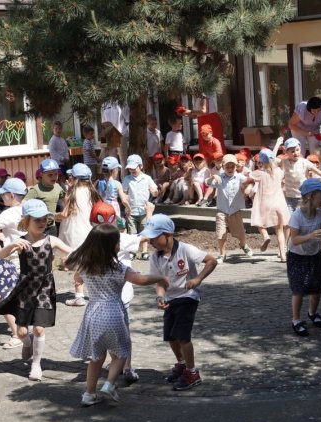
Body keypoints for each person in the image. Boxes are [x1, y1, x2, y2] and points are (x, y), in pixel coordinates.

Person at [66, 223, 168, 405]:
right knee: (122, 351)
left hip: (93, 312)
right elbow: (141, 280)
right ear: (112, 246)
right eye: (117, 242)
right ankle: (110, 384)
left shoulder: (85, 266)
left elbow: (77, 278)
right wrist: (161, 277)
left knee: (96, 356)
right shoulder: (118, 268)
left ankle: (89, 394)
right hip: (113, 311)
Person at [0, 199, 72, 381]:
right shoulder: (20, 241)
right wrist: (12, 245)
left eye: (44, 219)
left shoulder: (51, 240)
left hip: (45, 289)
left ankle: (36, 364)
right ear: (26, 221)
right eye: (37, 219)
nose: (42, 223)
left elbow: (71, 251)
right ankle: (27, 341)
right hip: (25, 290)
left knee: (40, 329)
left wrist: (70, 258)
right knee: (22, 332)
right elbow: (2, 254)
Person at [141, 214, 217, 391]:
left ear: (167, 235)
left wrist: (198, 279)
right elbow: (160, 282)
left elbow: (211, 261)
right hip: (170, 298)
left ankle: (192, 372)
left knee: (182, 335)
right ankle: (182, 363)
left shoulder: (186, 249)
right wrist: (160, 296)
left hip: (188, 296)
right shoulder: (155, 258)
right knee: (170, 336)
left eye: (154, 238)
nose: (151, 242)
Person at [287, 178, 321, 337]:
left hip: (315, 255)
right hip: (297, 256)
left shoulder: (320, 214)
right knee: (298, 289)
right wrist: (310, 235)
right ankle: (296, 320)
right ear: (311, 196)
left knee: (316, 287)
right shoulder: (297, 216)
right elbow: (294, 240)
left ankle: (312, 313)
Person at [57, 163, 101, 305]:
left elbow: (65, 214)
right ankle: (96, 293)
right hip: (90, 230)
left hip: (75, 231)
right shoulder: (92, 191)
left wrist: (52, 216)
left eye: (71, 175)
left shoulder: (72, 192)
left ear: (74, 178)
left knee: (80, 265)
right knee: (89, 264)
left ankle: (79, 295)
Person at [204, 154, 253, 264]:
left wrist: (248, 187)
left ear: (236, 166)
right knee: (220, 233)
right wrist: (213, 177)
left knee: (240, 233)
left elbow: (249, 181)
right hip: (222, 211)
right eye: (227, 167)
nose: (230, 169)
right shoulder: (220, 177)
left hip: (235, 210)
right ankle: (222, 253)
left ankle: (243, 244)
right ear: (223, 167)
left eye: (232, 166)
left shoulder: (240, 177)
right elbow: (206, 182)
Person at [0, 178, 27, 349]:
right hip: (29, 255)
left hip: (13, 257)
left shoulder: (8, 213)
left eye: (3, 195)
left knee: (4, 295)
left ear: (10, 195)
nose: (2, 199)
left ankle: (17, 334)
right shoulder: (28, 208)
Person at [246, 149, 290, 262]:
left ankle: (266, 236)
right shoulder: (279, 171)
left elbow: (248, 177)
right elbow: (273, 161)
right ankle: (283, 255)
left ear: (261, 161)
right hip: (279, 204)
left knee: (260, 223)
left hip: (265, 203)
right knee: (280, 231)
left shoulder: (260, 173)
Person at [122, 154, 158, 260]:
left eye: (134, 168)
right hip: (131, 210)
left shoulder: (147, 178)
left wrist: (155, 191)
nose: (132, 170)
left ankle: (145, 251)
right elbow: (124, 193)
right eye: (130, 168)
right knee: (132, 232)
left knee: (144, 230)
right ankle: (133, 250)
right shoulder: (127, 179)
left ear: (141, 166)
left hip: (144, 210)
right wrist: (126, 203)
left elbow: (154, 190)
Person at [24, 159, 66, 236]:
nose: (54, 177)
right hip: (37, 227)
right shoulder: (35, 190)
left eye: (56, 174)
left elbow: (66, 201)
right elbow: (23, 205)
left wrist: (65, 212)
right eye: (50, 175)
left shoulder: (57, 187)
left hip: (52, 227)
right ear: (42, 174)